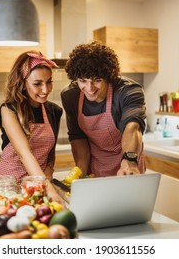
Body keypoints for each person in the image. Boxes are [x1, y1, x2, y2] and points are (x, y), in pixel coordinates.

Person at [61, 41, 147, 177]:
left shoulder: (128, 91)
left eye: (97, 80)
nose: (89, 88)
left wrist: (129, 162)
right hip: (95, 169)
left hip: (127, 168)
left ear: (108, 76)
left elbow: (132, 127)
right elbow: (78, 138)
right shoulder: (70, 95)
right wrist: (80, 174)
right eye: (83, 81)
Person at [0, 50, 64, 204]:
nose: (46, 90)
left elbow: (50, 151)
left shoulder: (54, 111)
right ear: (23, 83)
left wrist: (50, 169)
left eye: (49, 81)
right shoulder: (9, 110)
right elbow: (25, 154)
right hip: (9, 187)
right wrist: (49, 190)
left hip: (38, 185)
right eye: (37, 84)